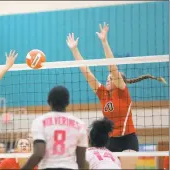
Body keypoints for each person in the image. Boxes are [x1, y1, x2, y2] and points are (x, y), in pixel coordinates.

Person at [66, 23, 166, 169]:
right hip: (110, 141)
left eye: (111, 78)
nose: (108, 79)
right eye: (107, 78)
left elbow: (112, 66)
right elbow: (87, 72)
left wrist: (104, 42)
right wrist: (74, 50)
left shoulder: (122, 91)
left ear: (119, 80)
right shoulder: (103, 94)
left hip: (128, 140)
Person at [21, 86, 88, 170]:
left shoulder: (39, 121)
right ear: (67, 103)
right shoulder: (80, 124)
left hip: (48, 167)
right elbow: (81, 161)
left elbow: (39, 153)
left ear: (49, 102)